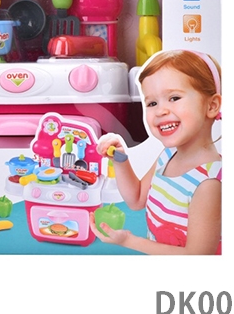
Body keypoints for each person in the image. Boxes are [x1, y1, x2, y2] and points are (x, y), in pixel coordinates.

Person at [90, 49, 222, 254]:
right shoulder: (167, 156)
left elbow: (196, 256)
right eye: (152, 103)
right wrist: (120, 159)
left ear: (212, 106)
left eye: (174, 98)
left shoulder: (209, 183)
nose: (160, 111)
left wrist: (128, 241)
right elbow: (136, 199)